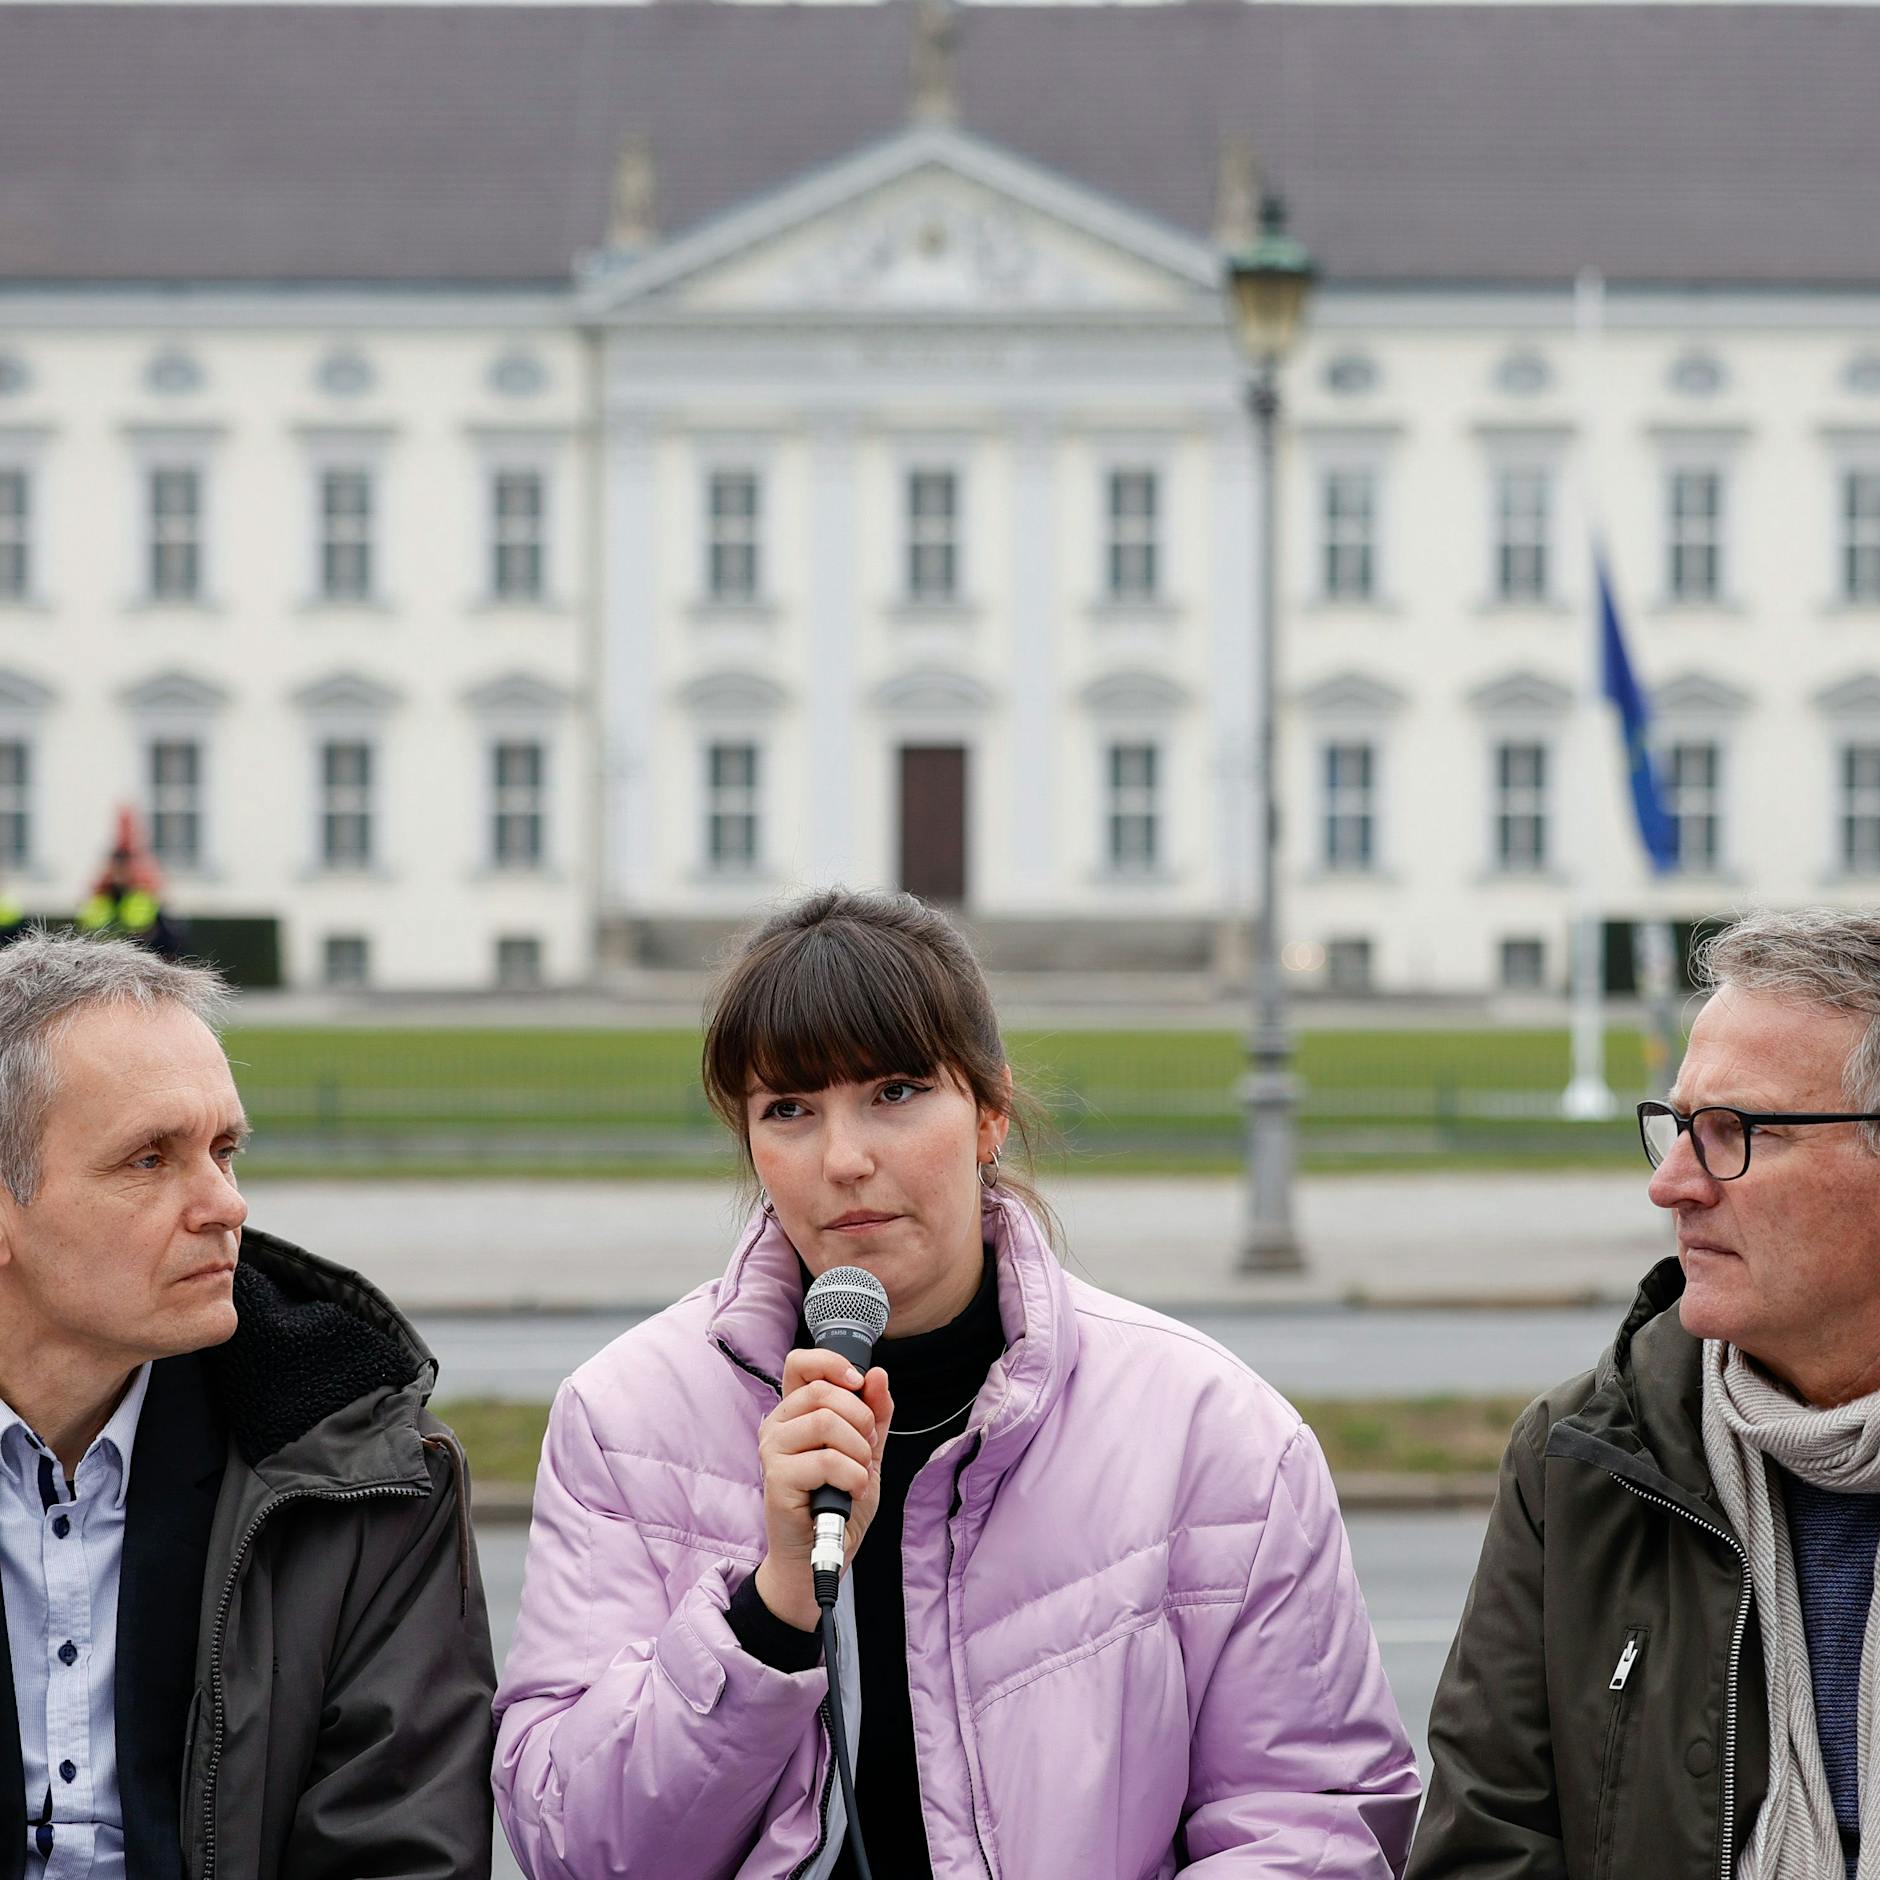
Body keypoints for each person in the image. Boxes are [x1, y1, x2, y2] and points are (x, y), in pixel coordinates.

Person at [495, 888, 1418, 1879]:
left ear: (988, 1110)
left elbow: (1312, 1823)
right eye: (790, 1108)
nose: (843, 1159)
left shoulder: (1212, 1429)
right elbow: (573, 1843)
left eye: (894, 1091)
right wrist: (766, 1610)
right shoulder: (622, 1418)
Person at [0, 931, 497, 1878]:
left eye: (224, 1149)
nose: (225, 1203)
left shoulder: (366, 1470)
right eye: (151, 1159)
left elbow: (400, 1854)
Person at [1409, 907, 1880, 1880]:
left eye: (1733, 1132)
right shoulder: (1584, 1457)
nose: (1671, 1184)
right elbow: (1482, 1851)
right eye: (1674, 1127)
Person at [76, 845, 183, 961]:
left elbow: (160, 934)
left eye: (124, 867)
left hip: (139, 957)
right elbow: (89, 930)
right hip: (111, 957)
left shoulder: (143, 895)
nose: (120, 873)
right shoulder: (101, 898)